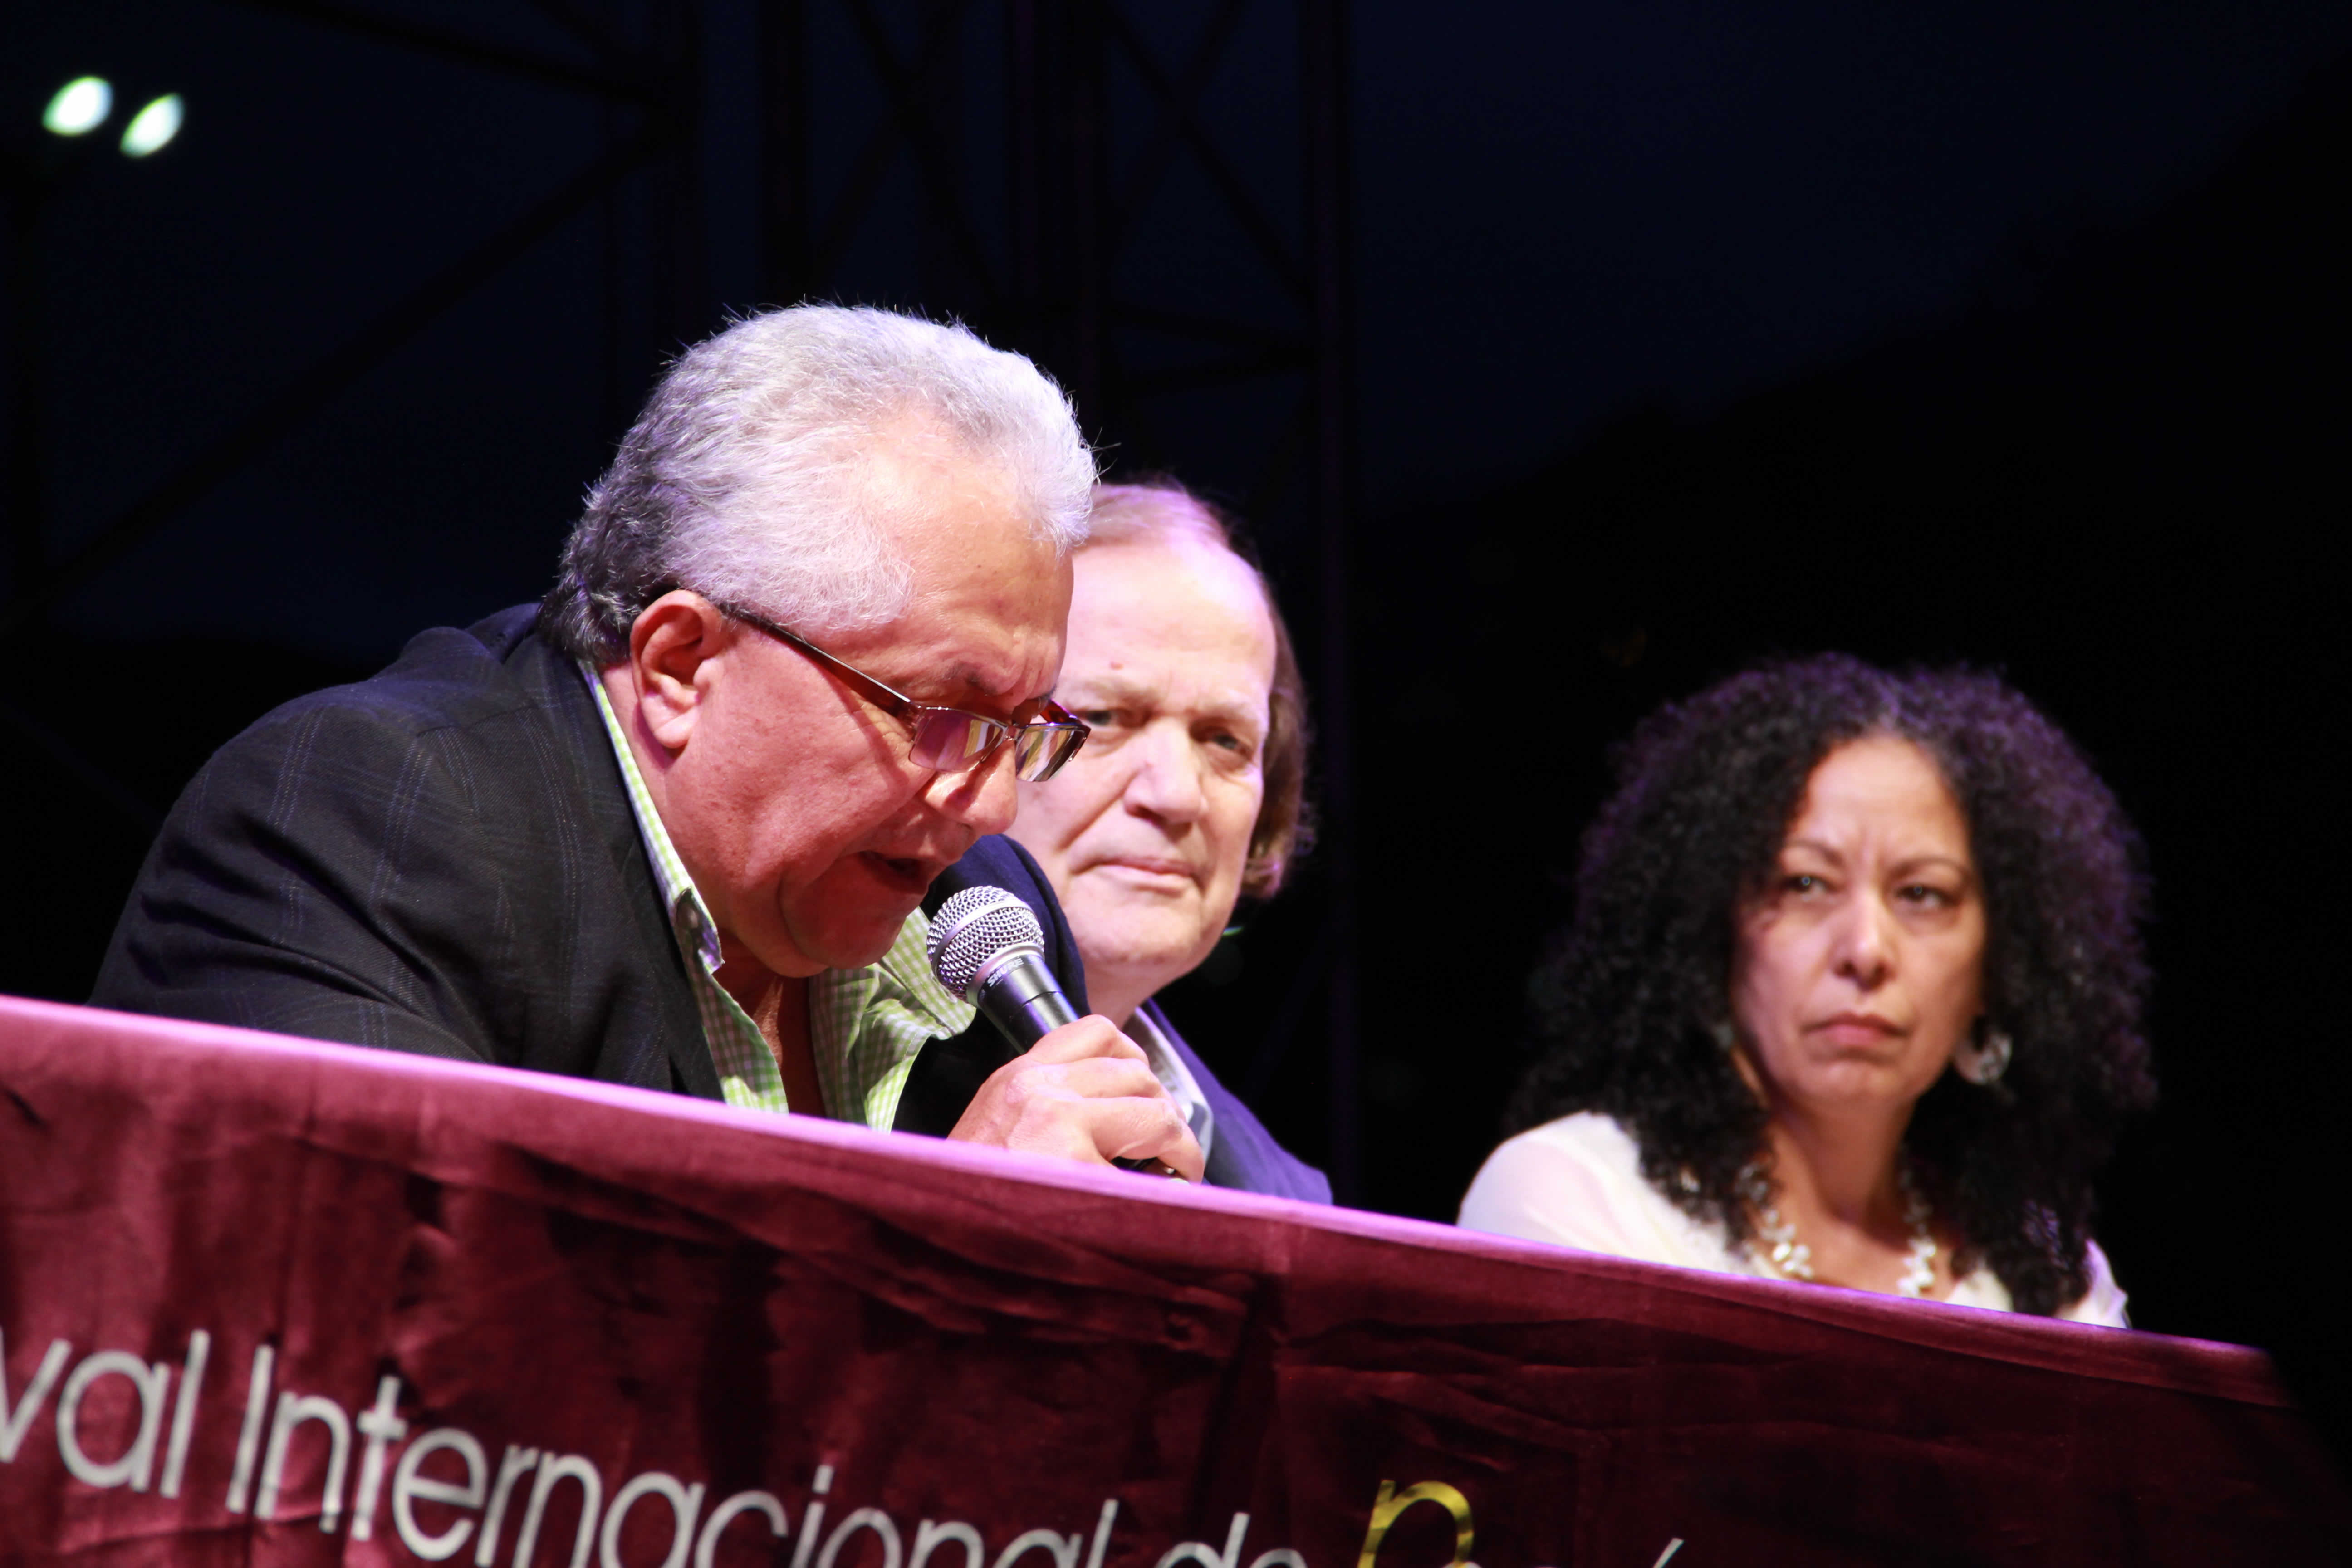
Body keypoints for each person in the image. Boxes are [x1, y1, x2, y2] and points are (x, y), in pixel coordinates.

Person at [91, 305, 1204, 1181]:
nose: (995, 808)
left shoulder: (986, 910)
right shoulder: (367, 824)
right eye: (939, 713)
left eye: (1024, 729)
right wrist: (949, 1236)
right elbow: (410, 1363)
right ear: (680, 665)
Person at [1458, 655, 2155, 1322]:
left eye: (1922, 894)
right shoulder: (1582, 1200)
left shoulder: (2045, 1274)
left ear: (2001, 967)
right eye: (1805, 884)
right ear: (1717, 933)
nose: (1866, 950)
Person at [987, 480, 1329, 1200]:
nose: (1176, 794)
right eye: (1104, 717)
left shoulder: (1291, 1203)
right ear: (970, 735)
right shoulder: (814, 1049)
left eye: (1225, 740)